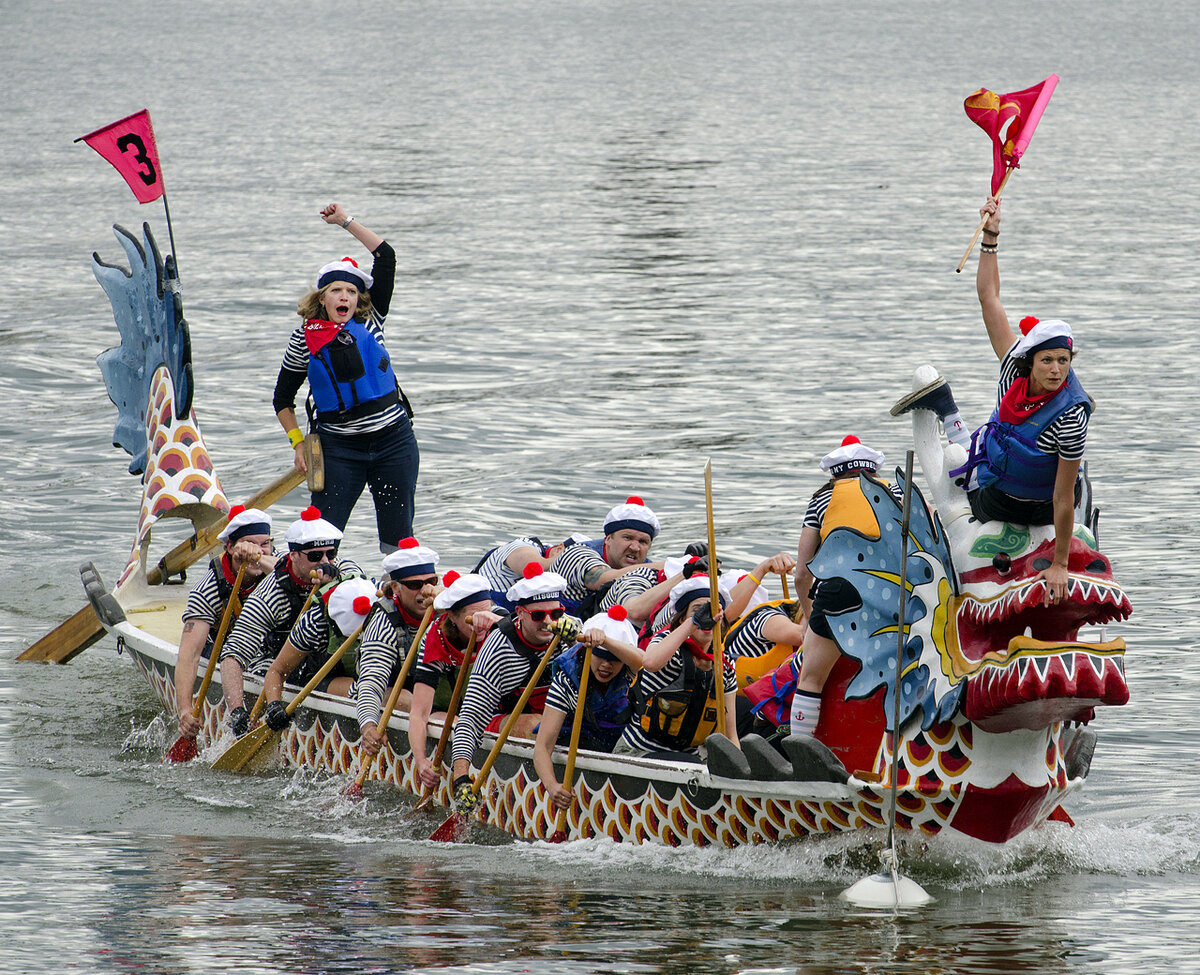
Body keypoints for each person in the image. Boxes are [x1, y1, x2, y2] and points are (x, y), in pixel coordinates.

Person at [892, 196, 1091, 608]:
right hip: (1000, 484)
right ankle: (950, 413)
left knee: (960, 462)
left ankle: (948, 413)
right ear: (1030, 361)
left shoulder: (1071, 416)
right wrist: (991, 234)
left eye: (1063, 362)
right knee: (974, 454)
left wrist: (1060, 563)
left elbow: (1063, 498)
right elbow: (989, 298)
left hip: (1027, 505)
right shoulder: (1011, 368)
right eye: (1048, 360)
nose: (1056, 370)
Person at [272, 203, 418, 553]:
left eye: (352, 292)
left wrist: (345, 222)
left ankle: (402, 598)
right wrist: (298, 443)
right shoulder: (302, 339)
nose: (345, 297)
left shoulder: (373, 319)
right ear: (322, 298)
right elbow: (282, 399)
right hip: (338, 451)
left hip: (394, 443)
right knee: (320, 541)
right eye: (337, 290)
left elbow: (386, 256)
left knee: (399, 542)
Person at [789, 436, 904, 738]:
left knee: (811, 678)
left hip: (840, 589)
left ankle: (801, 746)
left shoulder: (822, 500)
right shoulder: (896, 492)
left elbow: (802, 573)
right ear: (873, 471)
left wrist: (808, 615)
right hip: (893, 593)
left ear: (835, 474)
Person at [219, 506, 360, 736]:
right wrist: (237, 709)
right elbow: (232, 656)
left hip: (330, 658)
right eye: (315, 556)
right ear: (293, 556)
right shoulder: (270, 596)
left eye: (330, 554)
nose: (325, 562)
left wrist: (333, 584)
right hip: (279, 665)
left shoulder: (344, 570)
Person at [449, 563, 569, 807]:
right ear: (520, 613)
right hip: (501, 720)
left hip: (558, 720)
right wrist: (460, 778)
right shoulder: (499, 649)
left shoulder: (569, 629)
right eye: (538, 616)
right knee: (537, 724)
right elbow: (470, 719)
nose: (549, 622)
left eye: (555, 614)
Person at [614, 573, 742, 761]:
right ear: (683, 619)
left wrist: (736, 767)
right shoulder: (666, 645)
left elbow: (730, 735)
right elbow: (650, 663)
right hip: (638, 754)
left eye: (712, 611)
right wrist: (694, 622)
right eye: (697, 610)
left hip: (688, 758)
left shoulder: (725, 668)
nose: (707, 617)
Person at [173, 506, 275, 739]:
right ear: (230, 547)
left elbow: (288, 572)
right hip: (221, 653)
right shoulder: (208, 589)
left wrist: (259, 558)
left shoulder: (279, 572)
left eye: (265, 544)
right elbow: (189, 656)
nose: (257, 551)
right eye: (249, 543)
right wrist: (186, 709)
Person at [533, 605, 644, 810]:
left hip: (619, 746)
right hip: (575, 742)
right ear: (586, 652)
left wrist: (606, 642)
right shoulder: (568, 678)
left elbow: (643, 661)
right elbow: (542, 747)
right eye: (600, 656)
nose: (606, 666)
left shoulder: (631, 672)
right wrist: (552, 786)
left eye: (615, 660)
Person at [407, 571, 501, 787]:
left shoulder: (501, 623)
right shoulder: (435, 640)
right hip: (445, 711)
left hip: (488, 710)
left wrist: (497, 622)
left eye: (486, 615)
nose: (482, 626)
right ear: (452, 616)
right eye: (473, 619)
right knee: (456, 722)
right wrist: (421, 761)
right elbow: (419, 714)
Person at [352, 537, 442, 757]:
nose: (426, 591)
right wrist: (368, 726)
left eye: (431, 581)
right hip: (390, 694)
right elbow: (372, 682)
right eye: (414, 585)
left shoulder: (447, 610)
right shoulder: (385, 622)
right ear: (395, 587)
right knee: (406, 699)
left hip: (432, 695)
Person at [259, 575, 378, 733]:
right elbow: (277, 671)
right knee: (372, 691)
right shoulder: (313, 623)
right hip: (322, 679)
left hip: (373, 672)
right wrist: (274, 706)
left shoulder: (385, 607)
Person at [549, 496, 669, 621]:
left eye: (643, 542)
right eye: (627, 538)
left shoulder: (651, 570)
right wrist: (672, 566)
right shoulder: (578, 554)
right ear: (608, 539)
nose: (635, 548)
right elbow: (604, 579)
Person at [473, 535, 580, 612]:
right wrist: (567, 561)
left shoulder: (573, 583)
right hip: (482, 612)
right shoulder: (524, 545)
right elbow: (533, 567)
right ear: (559, 549)